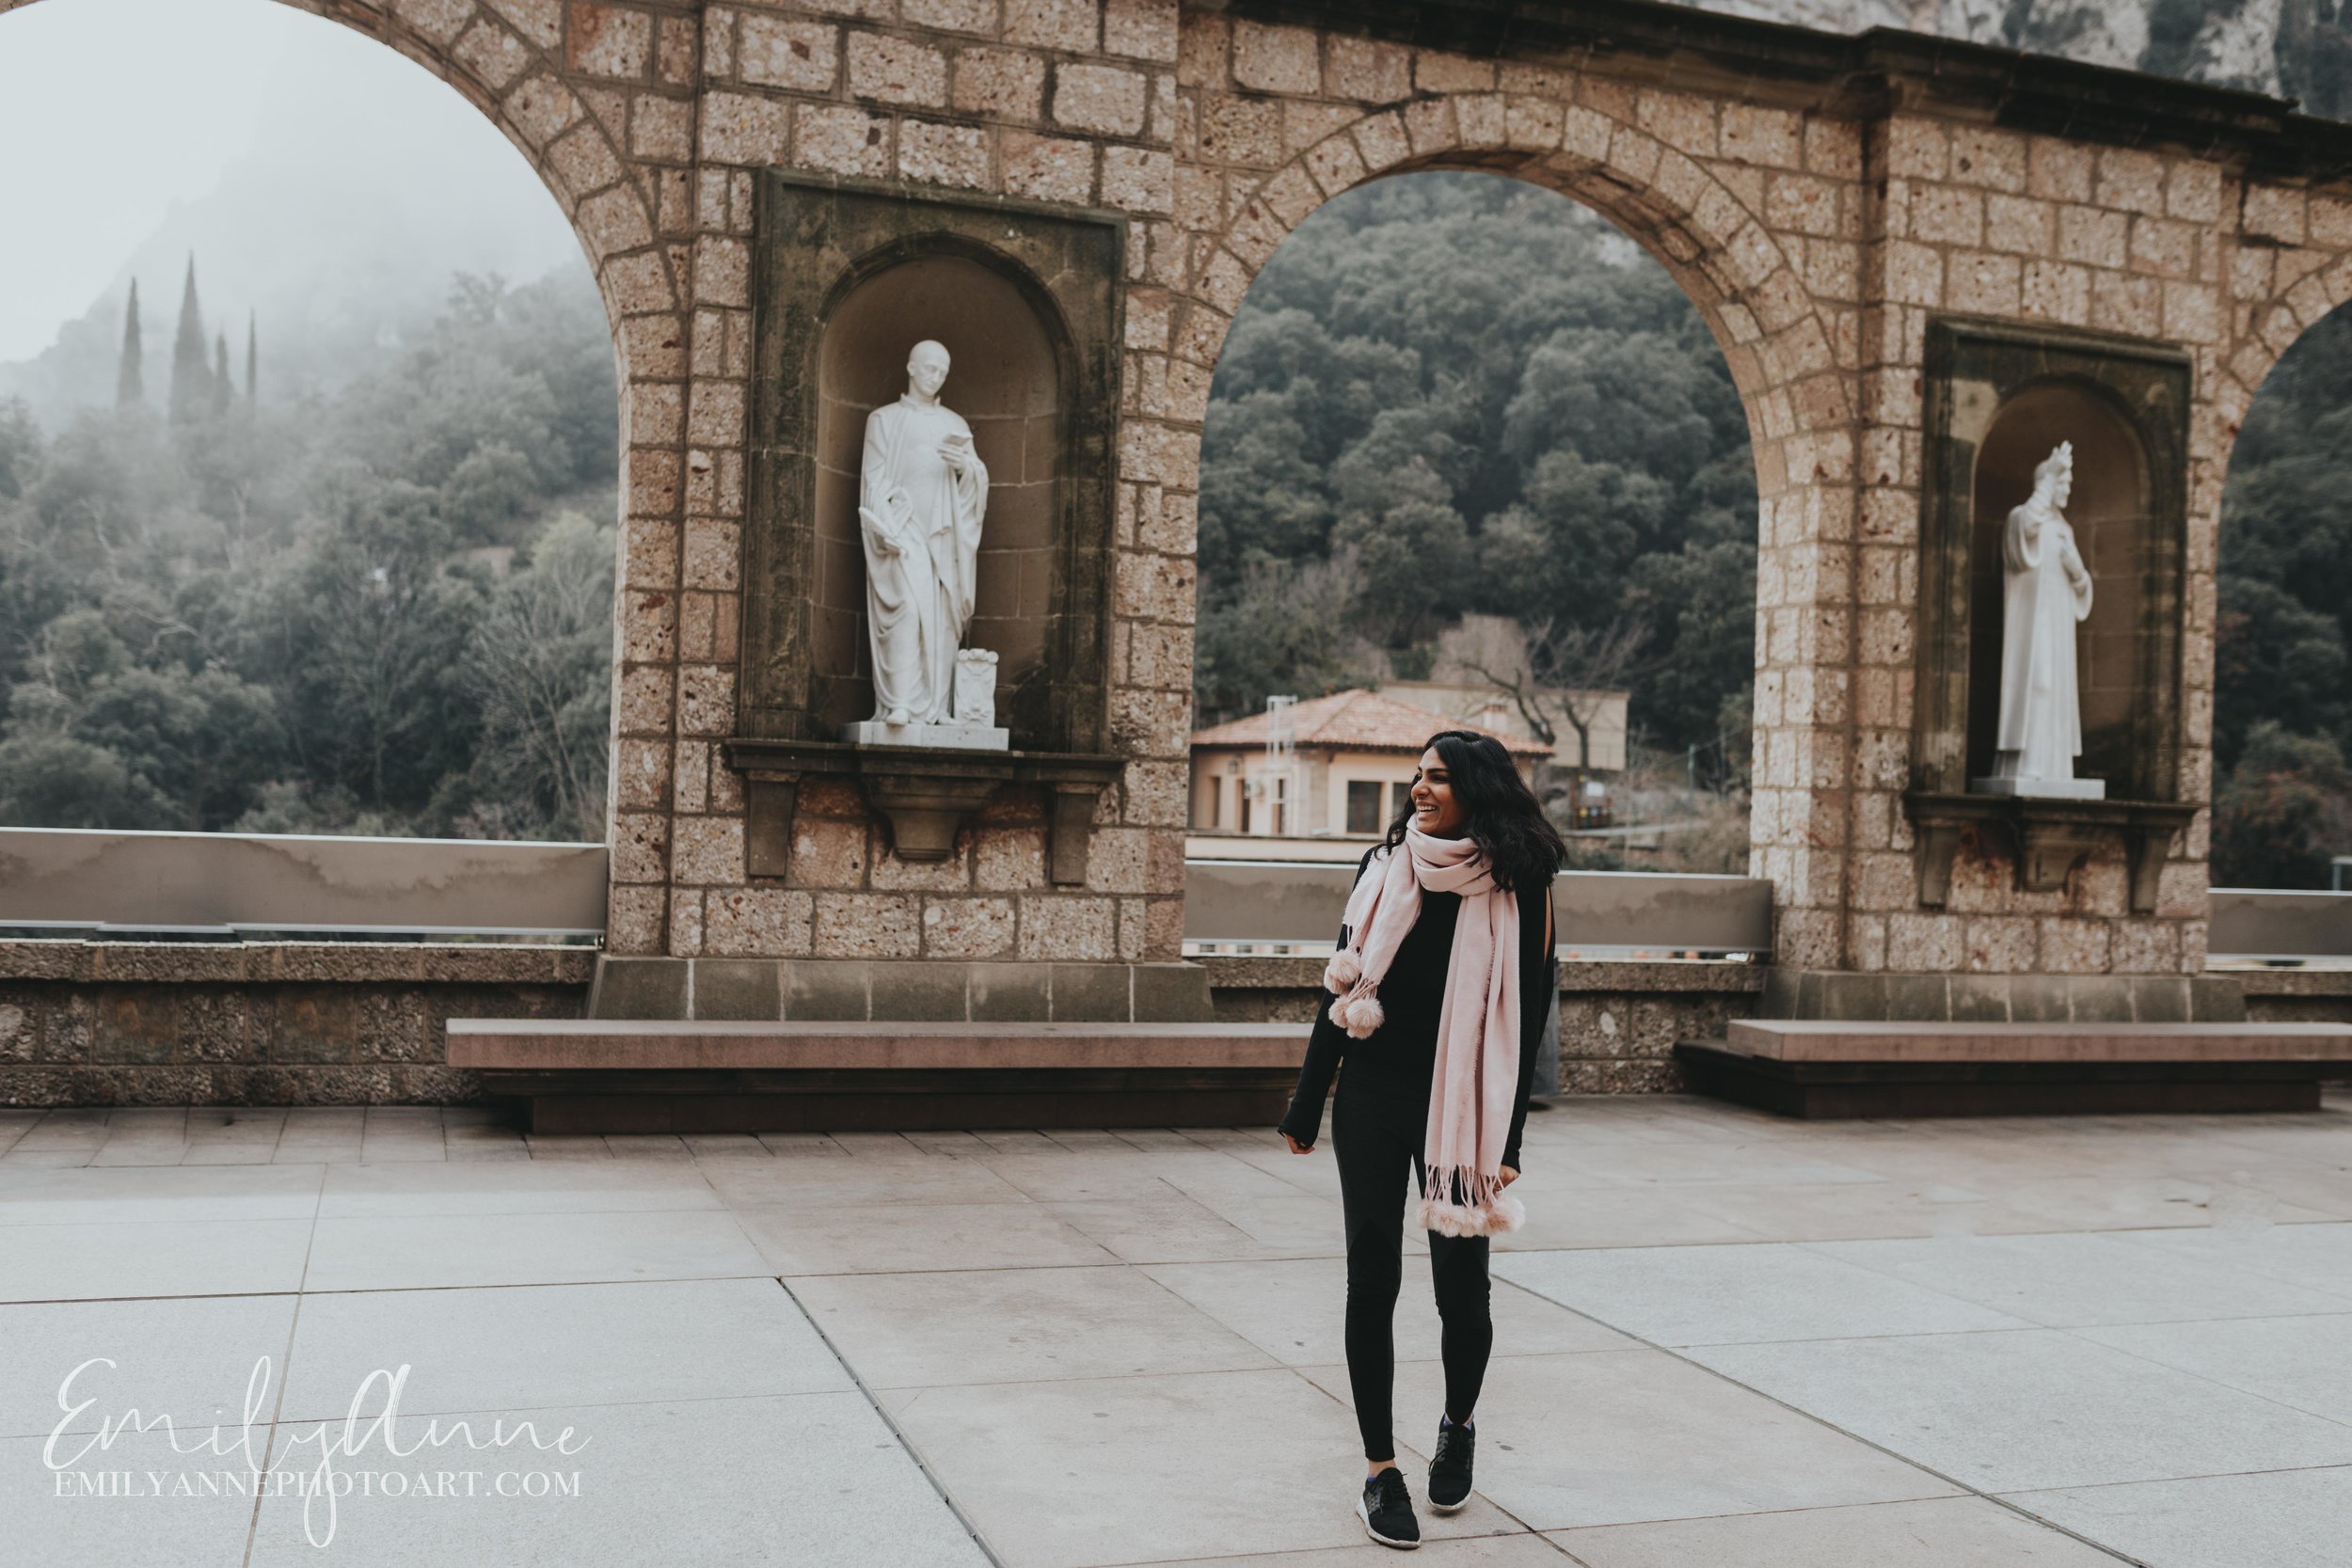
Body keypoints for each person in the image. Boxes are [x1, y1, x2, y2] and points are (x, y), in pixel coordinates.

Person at [1279, 730, 1563, 1550]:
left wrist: (1509, 1137)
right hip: (1373, 1094)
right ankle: (1378, 1471)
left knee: (1461, 1290)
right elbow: (1342, 980)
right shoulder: (1384, 867)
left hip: (1463, 1103)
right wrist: (1307, 1101)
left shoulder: (1523, 883)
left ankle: (1459, 1420)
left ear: (1478, 787)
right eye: (1417, 775)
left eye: (1437, 777)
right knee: (1370, 1278)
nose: (1419, 789)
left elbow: (1531, 1013)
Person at [857, 339, 988, 726]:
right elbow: (873, 480)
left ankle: (936, 707)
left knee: (944, 619)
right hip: (904, 528)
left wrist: (965, 467)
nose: (936, 377)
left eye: (943, 372)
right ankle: (899, 701)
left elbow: (977, 482)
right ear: (911, 368)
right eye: (930, 368)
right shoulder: (884, 420)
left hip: (944, 534)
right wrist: (885, 525)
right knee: (906, 610)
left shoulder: (955, 424)